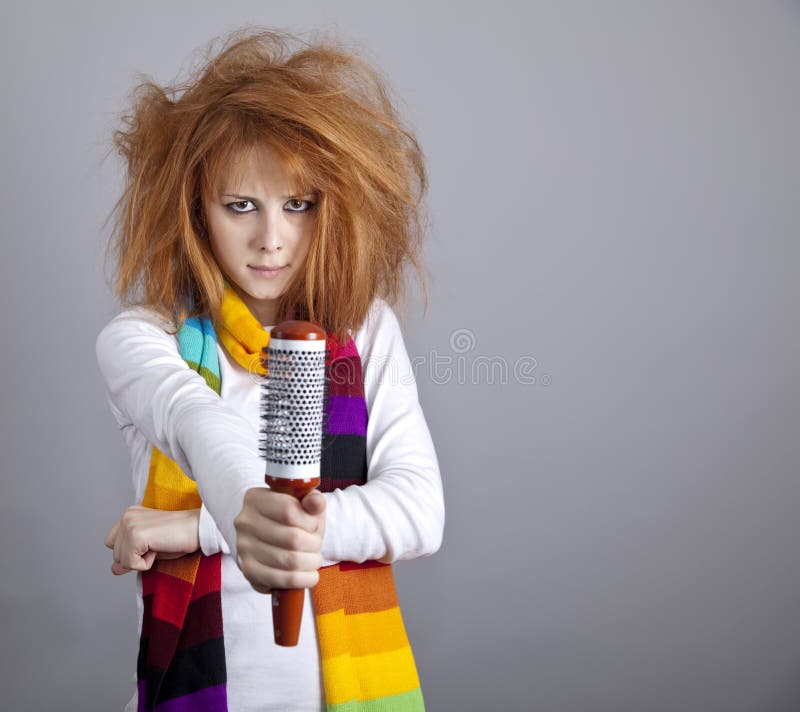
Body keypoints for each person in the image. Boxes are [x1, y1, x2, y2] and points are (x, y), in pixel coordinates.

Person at [95, 27, 444, 712]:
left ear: (333, 205)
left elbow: (419, 511)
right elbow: (196, 424)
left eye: (298, 204)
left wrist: (192, 530)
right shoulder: (142, 340)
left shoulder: (365, 330)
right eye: (241, 205)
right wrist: (240, 514)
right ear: (195, 208)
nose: (272, 238)